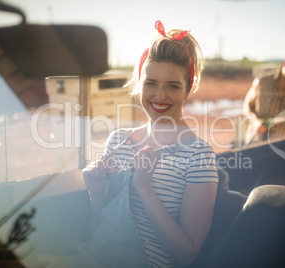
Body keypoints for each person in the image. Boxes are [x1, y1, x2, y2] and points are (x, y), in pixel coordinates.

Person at [82, 20, 218, 268]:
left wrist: (145, 189)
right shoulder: (118, 140)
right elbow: (98, 235)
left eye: (173, 86)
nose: (159, 96)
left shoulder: (199, 154)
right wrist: (96, 193)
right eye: (151, 83)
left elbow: (188, 255)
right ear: (139, 83)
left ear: (189, 89)